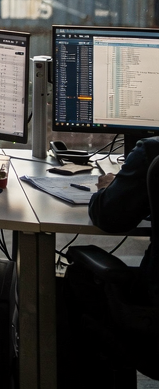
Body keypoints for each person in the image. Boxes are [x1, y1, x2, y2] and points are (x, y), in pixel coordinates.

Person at [57, 136, 159, 388]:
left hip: (151, 315)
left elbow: (109, 216)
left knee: (79, 277)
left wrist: (109, 187)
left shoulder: (152, 152)